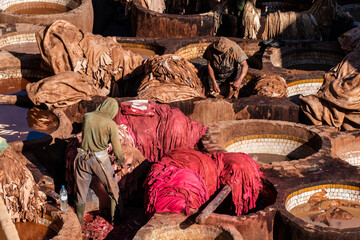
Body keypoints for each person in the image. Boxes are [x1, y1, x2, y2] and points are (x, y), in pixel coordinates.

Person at [74, 97, 125, 226]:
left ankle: (78, 224)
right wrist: (120, 160)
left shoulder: (87, 116)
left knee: (81, 193)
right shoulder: (111, 124)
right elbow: (117, 148)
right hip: (99, 160)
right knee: (113, 190)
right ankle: (115, 221)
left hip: (81, 158)